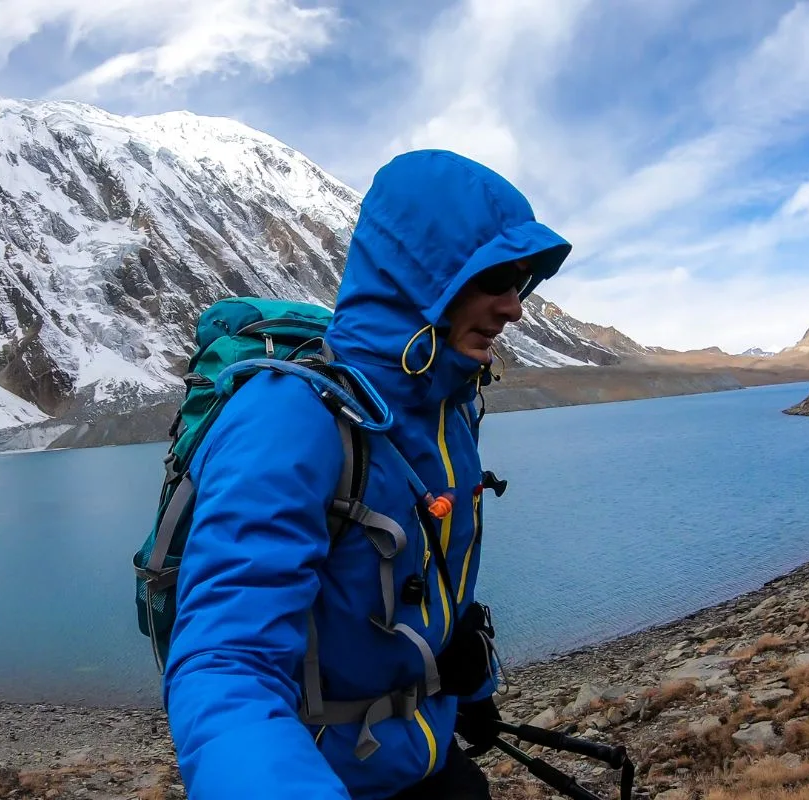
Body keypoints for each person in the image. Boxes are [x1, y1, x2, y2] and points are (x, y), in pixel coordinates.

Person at [161, 149, 573, 799]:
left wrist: (470, 682)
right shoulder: (289, 419)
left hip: (426, 759)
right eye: (497, 277)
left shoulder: (449, 406)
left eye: (522, 281)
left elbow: (426, 579)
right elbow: (225, 669)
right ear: (423, 274)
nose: (514, 307)